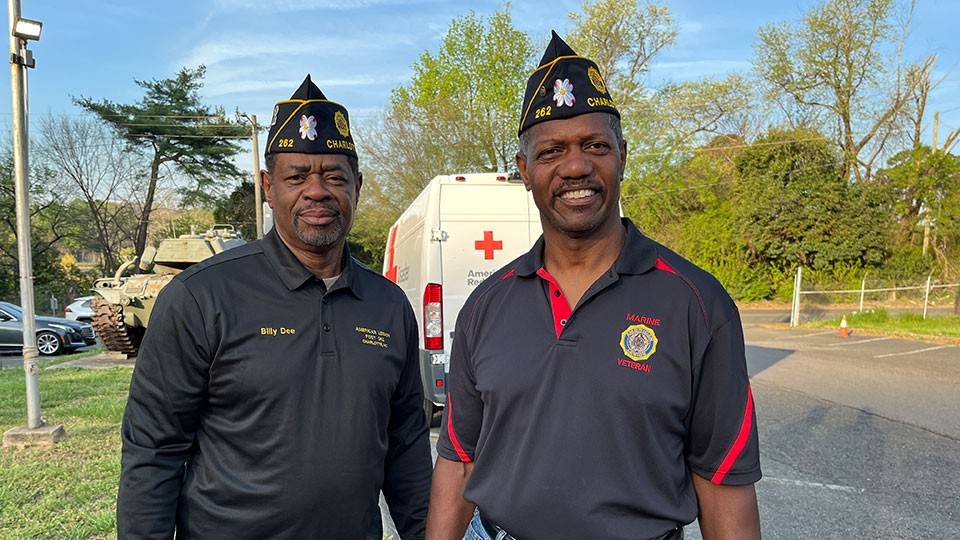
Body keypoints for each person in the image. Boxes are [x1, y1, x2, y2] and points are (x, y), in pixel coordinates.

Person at [427, 32, 761, 540]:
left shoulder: (695, 303)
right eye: (552, 151)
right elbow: (458, 461)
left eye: (595, 146)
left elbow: (722, 482)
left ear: (622, 156)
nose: (576, 166)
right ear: (524, 170)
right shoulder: (485, 305)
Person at [117, 75, 432, 539]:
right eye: (297, 176)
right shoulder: (201, 297)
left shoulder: (388, 307)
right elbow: (153, 450)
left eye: (334, 176)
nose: (317, 191)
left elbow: (406, 445)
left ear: (357, 186)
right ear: (268, 186)